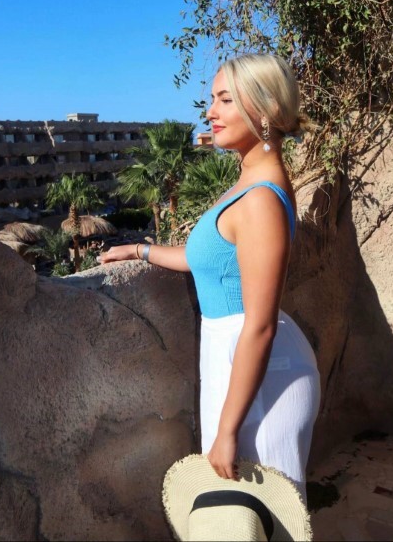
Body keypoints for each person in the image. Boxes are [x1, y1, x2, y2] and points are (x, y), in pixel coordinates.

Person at [98, 53, 320, 501]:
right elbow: (212, 260)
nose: (210, 112)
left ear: (265, 110)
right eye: (212, 99)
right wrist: (140, 250)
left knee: (262, 514)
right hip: (238, 357)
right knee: (240, 515)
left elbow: (260, 324)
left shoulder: (259, 199)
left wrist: (227, 429)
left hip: (260, 366)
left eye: (225, 100)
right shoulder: (249, 182)